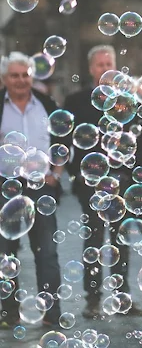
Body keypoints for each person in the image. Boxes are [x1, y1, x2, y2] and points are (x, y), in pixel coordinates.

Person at [63, 45, 142, 318]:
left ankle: (122, 298)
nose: (104, 69)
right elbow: (66, 142)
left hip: (122, 181)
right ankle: (93, 300)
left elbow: (137, 141)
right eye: (99, 65)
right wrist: (77, 176)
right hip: (90, 183)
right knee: (95, 242)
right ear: (91, 69)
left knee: (121, 241)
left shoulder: (126, 101)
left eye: (108, 63)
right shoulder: (76, 101)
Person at [0, 52, 65, 328]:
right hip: (5, 186)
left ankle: (52, 313)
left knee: (47, 251)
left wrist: (56, 174)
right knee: (5, 253)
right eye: (14, 75)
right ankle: (8, 314)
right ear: (4, 78)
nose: (20, 80)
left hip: (41, 187)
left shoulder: (47, 104)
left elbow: (63, 141)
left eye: (25, 74)